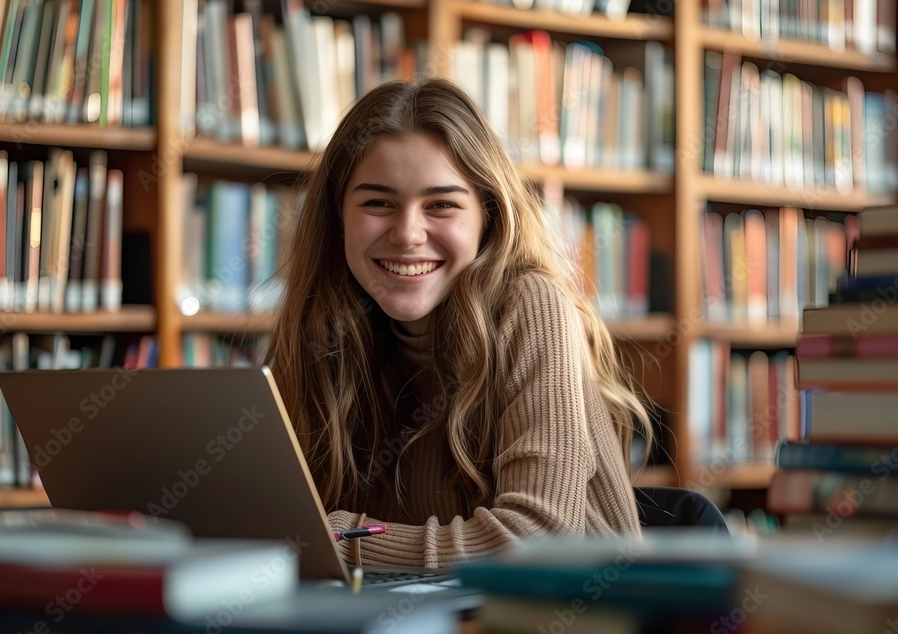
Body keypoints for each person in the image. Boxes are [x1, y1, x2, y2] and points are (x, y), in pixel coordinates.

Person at [267, 78, 652, 569]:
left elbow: (539, 536)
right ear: (338, 217)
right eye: (378, 203)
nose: (407, 234)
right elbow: (285, 518)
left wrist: (346, 539)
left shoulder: (530, 304)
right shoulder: (325, 326)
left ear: (486, 216)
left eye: (441, 205)